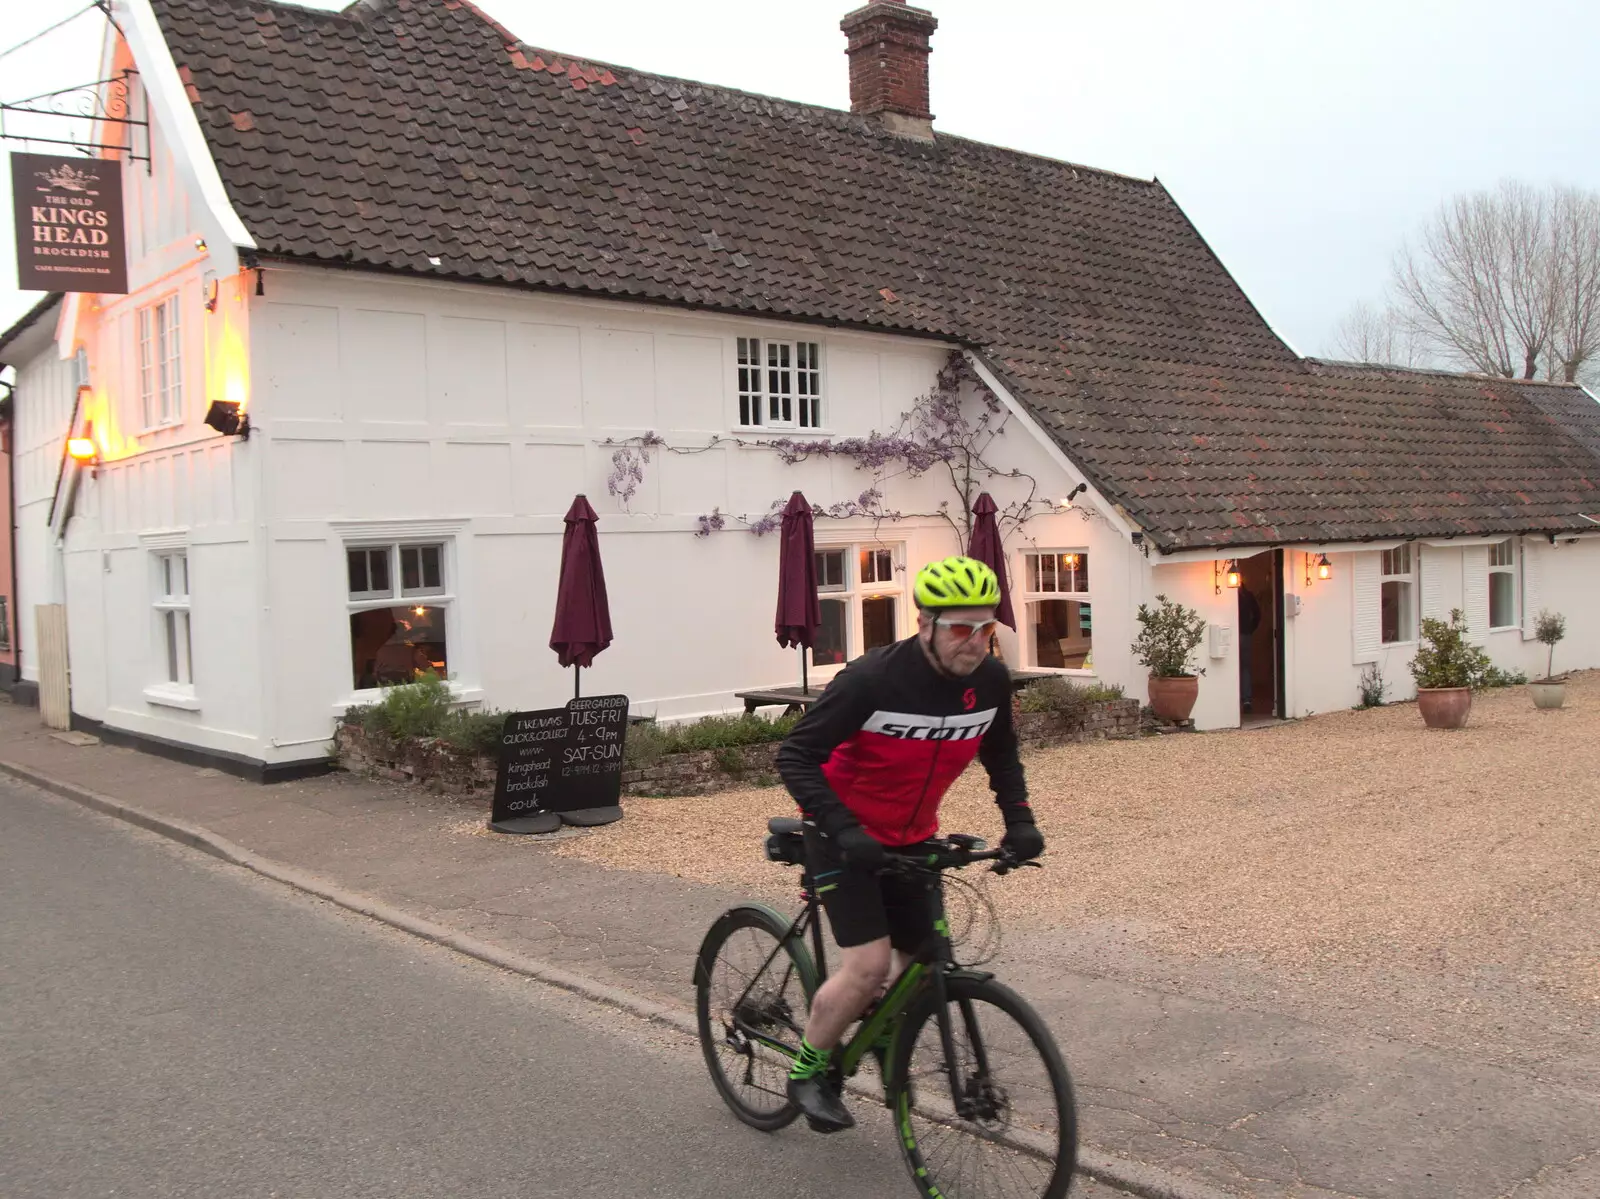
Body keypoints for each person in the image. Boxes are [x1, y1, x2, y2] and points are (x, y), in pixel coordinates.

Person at [775, 555, 1045, 1133]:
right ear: (924, 623)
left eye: (985, 628)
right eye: (959, 628)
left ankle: (873, 1027)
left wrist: (1019, 820)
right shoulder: (872, 680)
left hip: (913, 835)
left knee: (920, 964)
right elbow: (795, 755)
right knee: (869, 966)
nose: (973, 642)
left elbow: (1001, 755)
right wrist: (844, 829)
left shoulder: (991, 681)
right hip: (842, 836)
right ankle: (809, 1069)